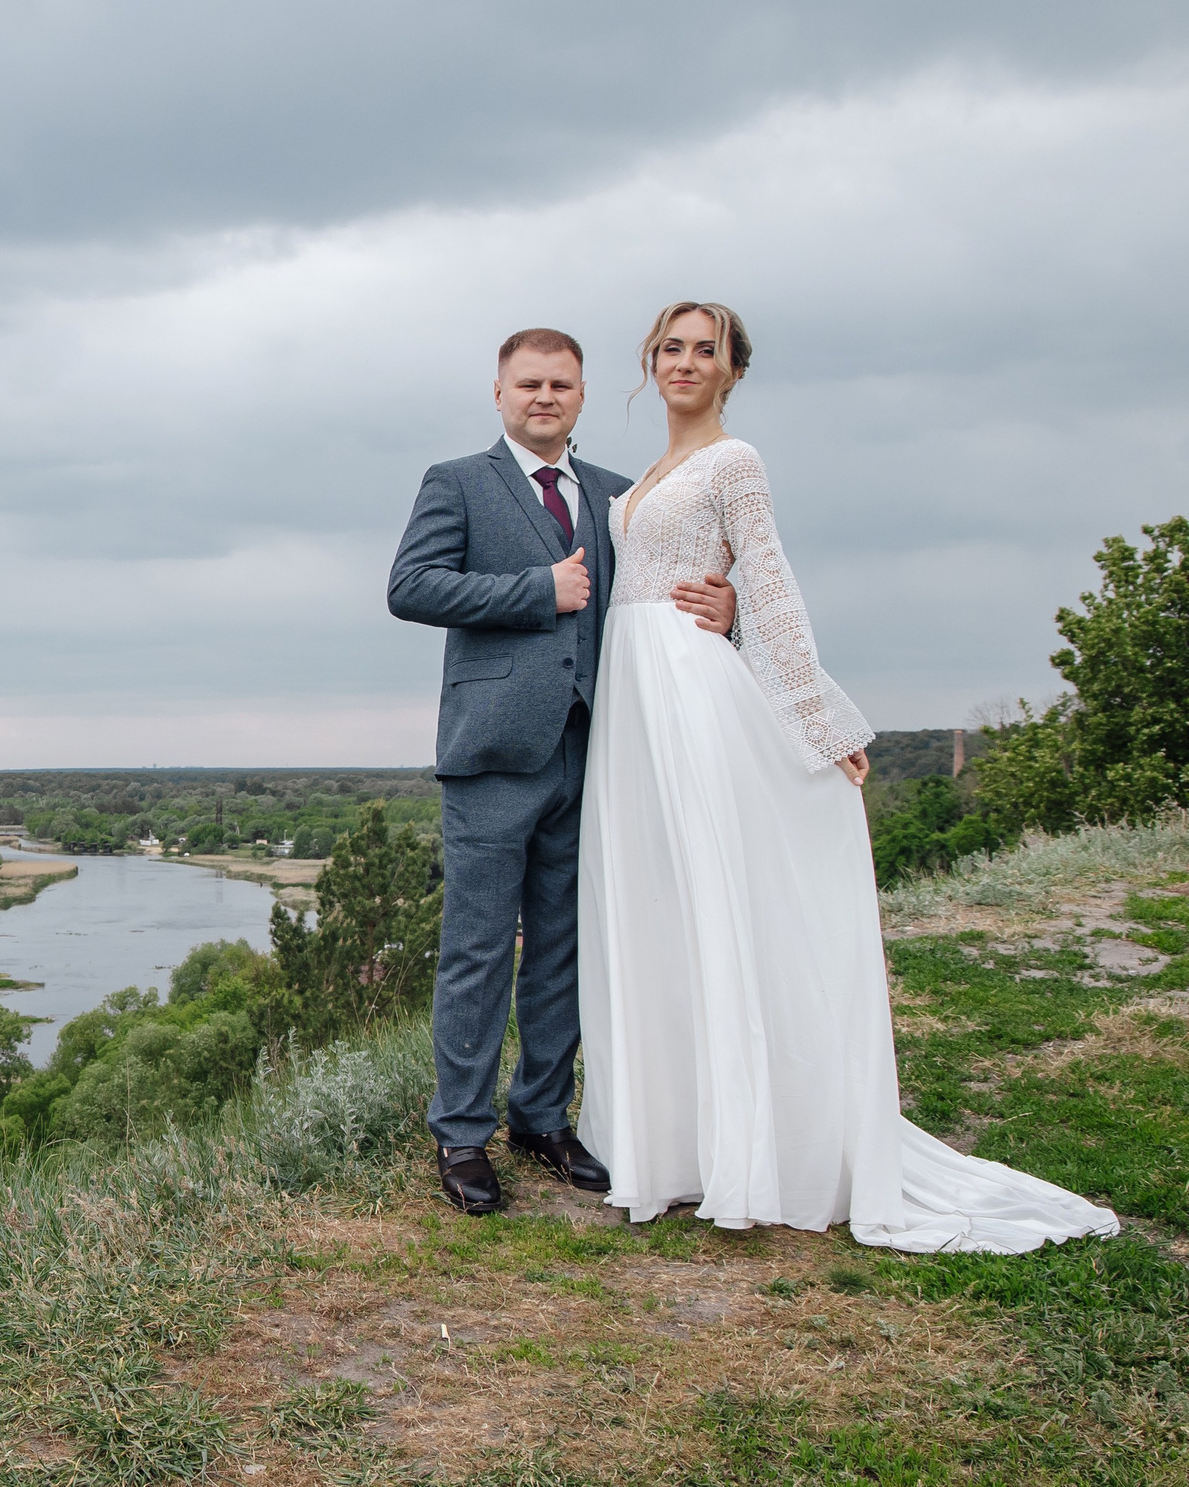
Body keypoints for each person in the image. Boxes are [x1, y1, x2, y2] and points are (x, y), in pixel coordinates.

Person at [576, 301, 1117, 1251]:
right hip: (634, 697)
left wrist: (820, 720)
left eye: (708, 350)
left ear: (735, 370)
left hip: (692, 689)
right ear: (649, 362)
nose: (687, 363)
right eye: (672, 348)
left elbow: (772, 582)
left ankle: (755, 1142)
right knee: (659, 904)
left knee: (718, 893)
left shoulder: (735, 462)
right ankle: (677, 1141)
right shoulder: (637, 481)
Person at [388, 328, 737, 1214]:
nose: (545, 397)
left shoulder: (621, 497)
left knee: (561, 950)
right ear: (499, 393)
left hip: (598, 752)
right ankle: (461, 1136)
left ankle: (540, 1117)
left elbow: (657, 606)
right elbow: (412, 586)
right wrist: (536, 591)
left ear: (583, 396)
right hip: (494, 756)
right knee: (474, 953)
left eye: (562, 384)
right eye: (529, 383)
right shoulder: (456, 482)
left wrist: (726, 610)